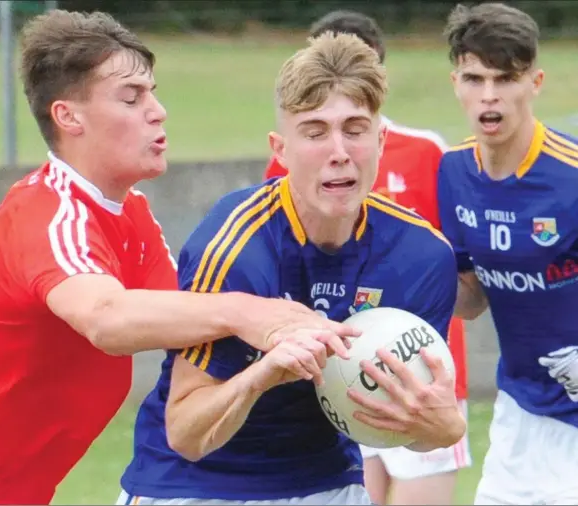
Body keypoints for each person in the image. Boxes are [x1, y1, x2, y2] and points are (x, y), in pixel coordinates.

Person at [0, 11, 362, 506]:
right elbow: (106, 319)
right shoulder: (47, 215)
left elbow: (189, 314)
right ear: (68, 116)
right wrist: (246, 311)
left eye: (152, 93)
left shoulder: (129, 212)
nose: (158, 111)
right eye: (132, 97)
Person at [117, 32, 467, 506]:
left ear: (381, 140)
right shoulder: (235, 246)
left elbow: (429, 431)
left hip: (326, 481)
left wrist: (441, 425)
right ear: (280, 150)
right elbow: (185, 434)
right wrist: (264, 374)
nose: (339, 150)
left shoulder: (422, 255)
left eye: (356, 128)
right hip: (195, 483)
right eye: (316, 131)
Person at [264, 10, 472, 505]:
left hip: (417, 361)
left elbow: (452, 259)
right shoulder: (291, 157)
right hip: (341, 366)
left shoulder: (426, 150)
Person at [439, 3, 578, 505]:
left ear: (535, 82)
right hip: (520, 415)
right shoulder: (453, 172)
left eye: (506, 78)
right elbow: (471, 298)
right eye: (475, 78)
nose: (489, 96)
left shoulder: (572, 176)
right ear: (456, 81)